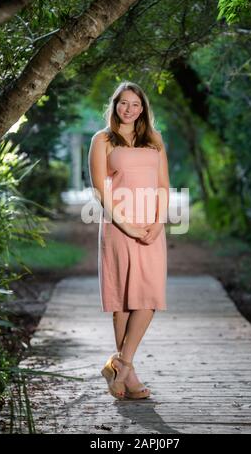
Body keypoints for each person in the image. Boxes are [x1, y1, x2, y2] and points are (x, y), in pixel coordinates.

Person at [88, 81, 170, 400]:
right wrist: (128, 226)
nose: (129, 109)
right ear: (115, 105)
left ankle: (120, 364)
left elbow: (163, 185)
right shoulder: (102, 140)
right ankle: (128, 374)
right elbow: (99, 188)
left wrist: (158, 222)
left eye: (136, 104)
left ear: (143, 109)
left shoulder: (154, 140)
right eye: (124, 103)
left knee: (148, 297)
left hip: (151, 225)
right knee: (123, 300)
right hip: (118, 226)